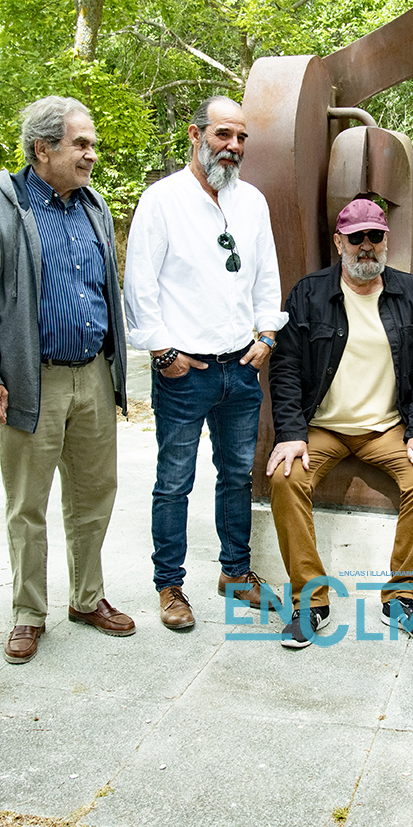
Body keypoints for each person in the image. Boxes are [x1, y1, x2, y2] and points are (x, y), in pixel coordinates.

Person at [0, 96, 133, 665]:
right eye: (81, 144)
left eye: (92, 144)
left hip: (93, 376)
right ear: (42, 148)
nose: (91, 155)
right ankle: (29, 613)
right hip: (34, 381)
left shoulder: (93, 206)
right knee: (27, 503)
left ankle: (86, 598)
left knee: (95, 494)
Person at [124, 95, 286, 631]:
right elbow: (140, 284)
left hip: (241, 367)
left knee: (237, 476)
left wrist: (266, 335)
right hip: (183, 371)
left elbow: (265, 274)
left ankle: (235, 573)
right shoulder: (162, 199)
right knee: (174, 480)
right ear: (195, 136)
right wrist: (163, 351)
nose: (233, 147)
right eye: (223, 135)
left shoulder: (253, 202)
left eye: (241, 138)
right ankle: (169, 585)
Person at [267, 199, 413, 646]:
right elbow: (285, 367)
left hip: (387, 427)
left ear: (386, 240)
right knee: (286, 478)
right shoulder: (309, 293)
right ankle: (311, 601)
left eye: (375, 237)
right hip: (323, 426)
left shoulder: (409, 292)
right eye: (356, 238)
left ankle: (403, 599)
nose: (366, 247)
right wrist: (291, 433)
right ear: (339, 242)